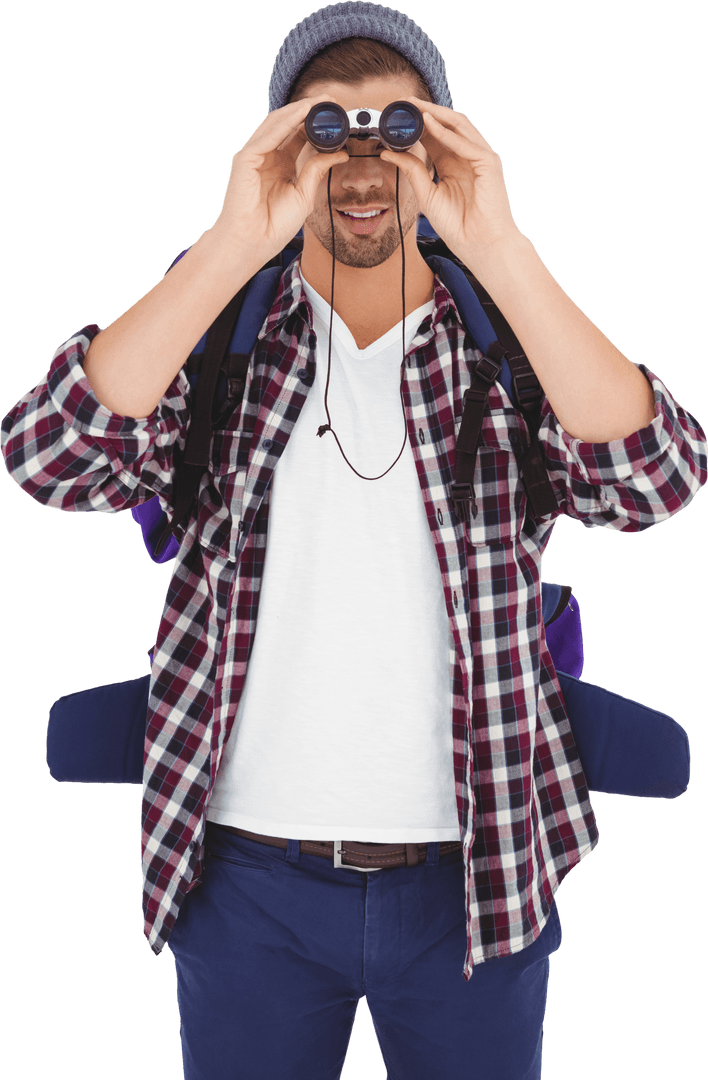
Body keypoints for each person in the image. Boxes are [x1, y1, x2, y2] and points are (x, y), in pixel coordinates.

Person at [2, 3, 707, 1078]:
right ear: (284, 152)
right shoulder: (223, 349)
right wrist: (238, 239)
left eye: (400, 130)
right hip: (245, 883)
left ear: (444, 154)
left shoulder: (503, 352)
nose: (365, 157)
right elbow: (49, 457)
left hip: (479, 879)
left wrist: (501, 248)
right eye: (329, 129)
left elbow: (657, 481)